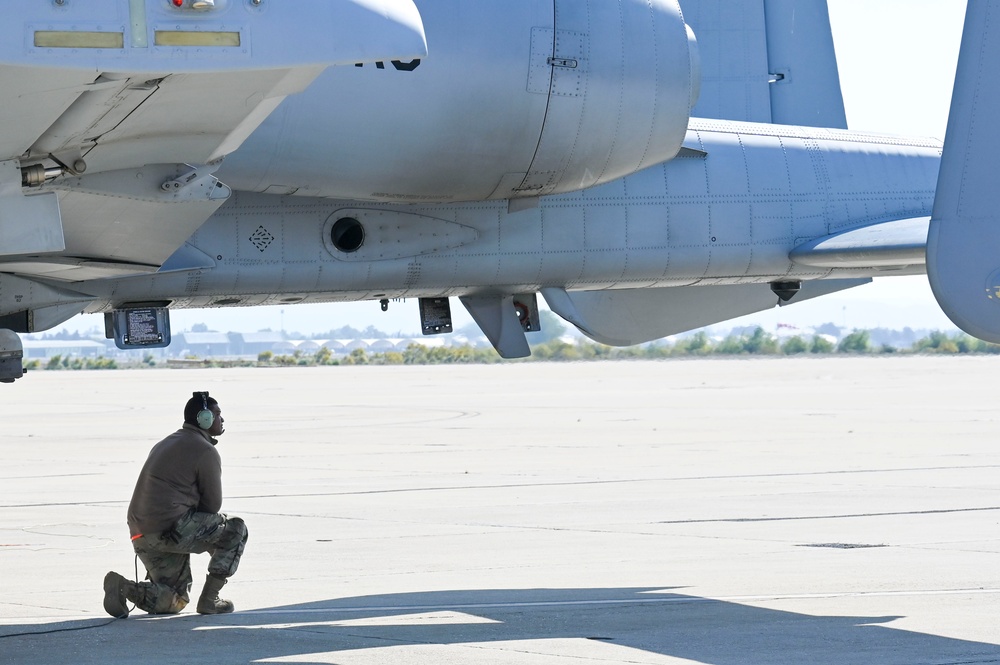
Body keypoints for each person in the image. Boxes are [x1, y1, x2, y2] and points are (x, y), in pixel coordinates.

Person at [102, 391, 248, 617]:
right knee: (236, 528)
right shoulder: (205, 450)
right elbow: (212, 507)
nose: (222, 419)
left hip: (142, 534)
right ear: (204, 419)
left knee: (175, 600)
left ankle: (124, 587)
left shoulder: (165, 442)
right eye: (217, 414)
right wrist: (212, 543)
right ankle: (210, 600)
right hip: (173, 530)